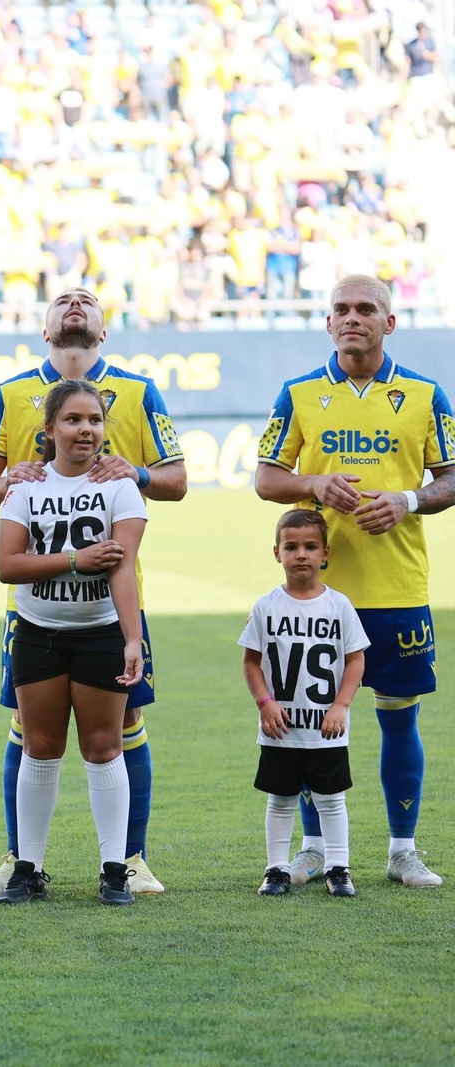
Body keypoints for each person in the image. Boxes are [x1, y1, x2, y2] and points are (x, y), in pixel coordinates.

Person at [0, 288, 186, 898]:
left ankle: (129, 859)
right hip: (34, 607)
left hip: (111, 606)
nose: (74, 305)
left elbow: (176, 479)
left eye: (87, 300)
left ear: (103, 330)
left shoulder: (139, 392)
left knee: (118, 725)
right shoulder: (11, 395)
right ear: (44, 328)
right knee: (31, 731)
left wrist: (134, 473)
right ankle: (20, 860)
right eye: (62, 300)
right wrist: (14, 481)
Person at [255, 274, 455, 889]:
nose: (352, 318)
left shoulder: (425, 395)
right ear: (328, 322)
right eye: (340, 309)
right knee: (311, 725)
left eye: (366, 309)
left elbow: (451, 478)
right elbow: (266, 477)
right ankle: (314, 848)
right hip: (314, 593)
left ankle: (402, 850)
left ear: (388, 323)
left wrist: (409, 500)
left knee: (399, 718)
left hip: (396, 587)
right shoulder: (299, 393)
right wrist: (314, 484)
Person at [0, 378, 148, 907]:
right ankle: (28, 868)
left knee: (104, 746)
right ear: (50, 429)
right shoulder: (24, 487)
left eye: (95, 420)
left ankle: (114, 870)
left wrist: (133, 638)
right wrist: (76, 560)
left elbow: (121, 569)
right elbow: (7, 566)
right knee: (40, 746)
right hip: (37, 632)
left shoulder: (121, 487)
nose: (86, 430)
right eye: (74, 420)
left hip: (101, 631)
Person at [240, 510, 367, 899]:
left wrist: (341, 705)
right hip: (282, 729)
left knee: (331, 800)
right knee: (280, 801)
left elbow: (355, 659)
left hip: (326, 727)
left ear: (325, 552)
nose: (301, 555)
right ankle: (276, 870)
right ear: (276, 552)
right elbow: (250, 662)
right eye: (291, 547)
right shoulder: (266, 606)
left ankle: (338, 869)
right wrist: (264, 702)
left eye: (311, 547)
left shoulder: (340, 605)